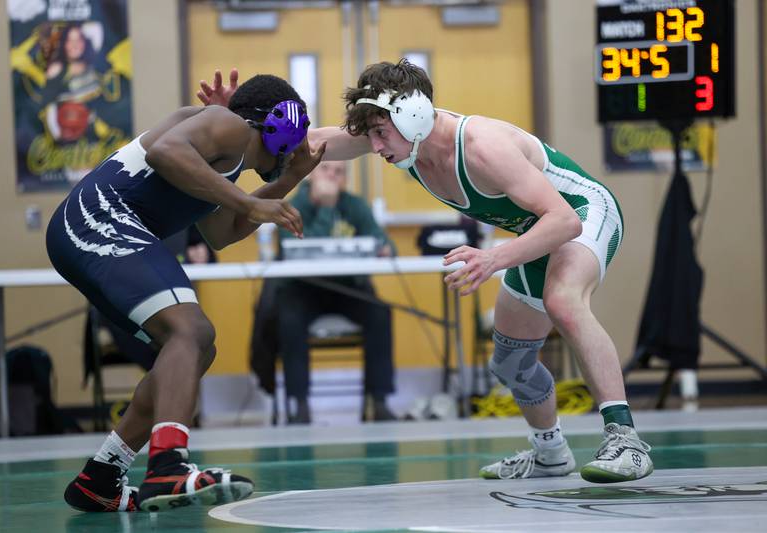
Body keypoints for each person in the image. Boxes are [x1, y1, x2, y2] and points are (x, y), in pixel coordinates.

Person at [198, 61, 652, 483]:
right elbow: (312, 142)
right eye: (370, 135)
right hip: (535, 229)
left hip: (579, 213)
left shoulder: (482, 147)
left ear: (412, 114)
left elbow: (564, 221)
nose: (374, 148)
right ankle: (550, 451)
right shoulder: (401, 138)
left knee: (562, 300)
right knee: (510, 361)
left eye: (379, 133)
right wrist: (237, 126)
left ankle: (626, 441)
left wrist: (492, 258)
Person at [48, 73, 325, 512]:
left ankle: (101, 476)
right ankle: (168, 467)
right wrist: (253, 201)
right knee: (190, 330)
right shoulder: (227, 125)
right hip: (98, 219)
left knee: (197, 347)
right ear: (282, 125)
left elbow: (223, 232)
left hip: (92, 230)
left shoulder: (222, 155)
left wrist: (288, 179)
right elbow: (164, 152)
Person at [275, 159, 397, 424]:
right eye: (325, 169)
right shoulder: (293, 207)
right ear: (311, 175)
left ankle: (379, 401)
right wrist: (327, 209)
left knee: (379, 313)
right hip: (304, 288)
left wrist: (384, 247)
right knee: (289, 319)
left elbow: (383, 241)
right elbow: (297, 247)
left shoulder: (355, 205)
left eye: (338, 172)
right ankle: (300, 404)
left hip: (348, 287)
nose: (332, 176)